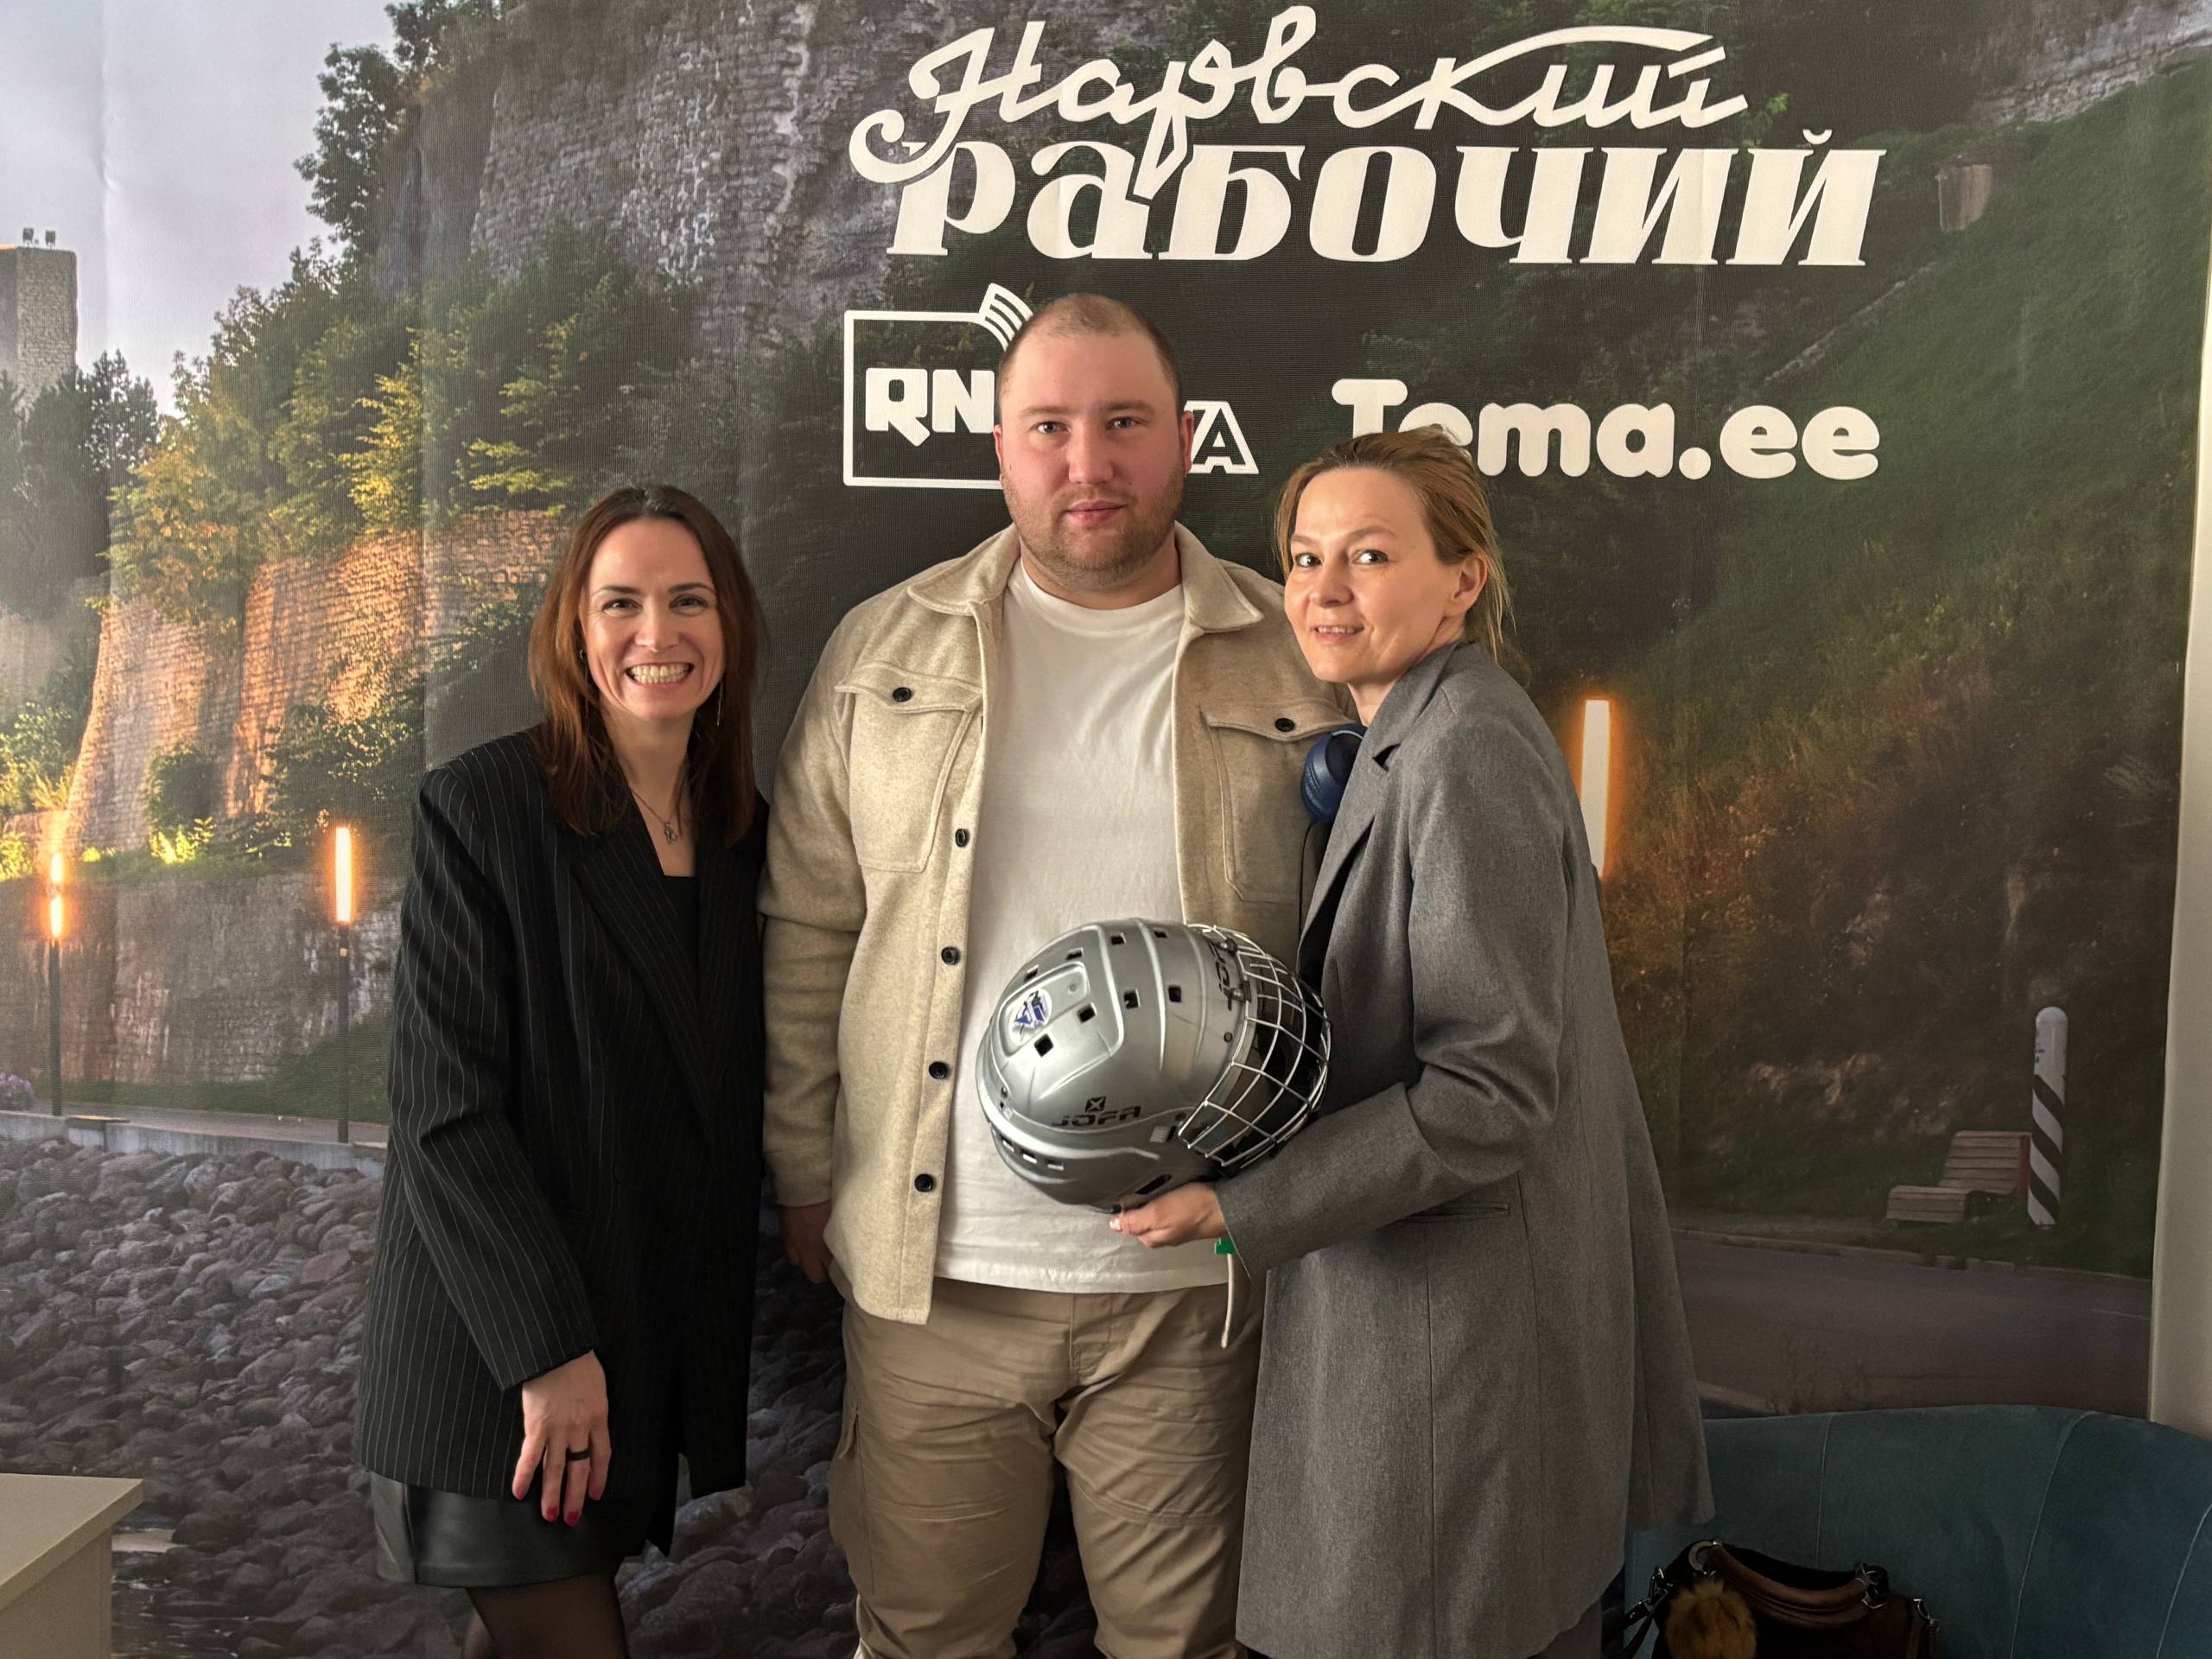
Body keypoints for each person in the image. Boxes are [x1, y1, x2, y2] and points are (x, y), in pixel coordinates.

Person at [760, 294, 1349, 1659]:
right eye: (1050, 428)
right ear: (1000, 446)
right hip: (939, 1280)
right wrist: (802, 1169)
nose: (1090, 462)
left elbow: (1370, 952)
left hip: (1196, 1295)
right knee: (925, 1640)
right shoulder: (882, 651)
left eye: (1124, 423)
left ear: (1186, 438)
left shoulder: (1301, 653)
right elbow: (808, 928)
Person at [1112, 428, 1713, 1659]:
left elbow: (1490, 1093)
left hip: (1456, 1358)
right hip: (1445, 1342)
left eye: (1370, 556)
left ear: (1462, 580)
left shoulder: (1465, 749)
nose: (1324, 589)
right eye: (1305, 557)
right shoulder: (1414, 732)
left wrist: (1242, 1207)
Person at [356, 485, 769, 1659]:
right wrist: (546, 1351)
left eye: (689, 601)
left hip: (638, 1353)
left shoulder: (742, 833)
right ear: (574, 629)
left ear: (730, 626)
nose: (656, 633)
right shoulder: (484, 806)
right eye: (620, 603)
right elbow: (445, 1117)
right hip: (498, 1368)